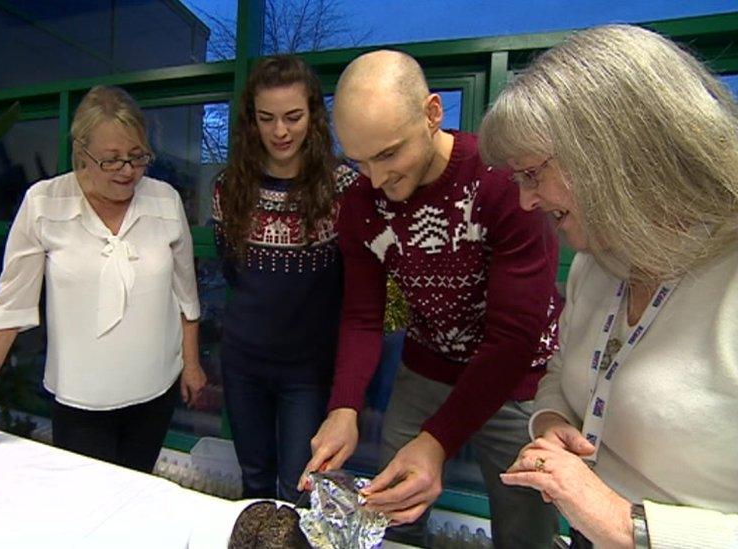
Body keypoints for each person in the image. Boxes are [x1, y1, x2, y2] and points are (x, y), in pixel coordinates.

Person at [479, 24, 738, 548]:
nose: (527, 201)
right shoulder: (596, 262)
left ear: (615, 154)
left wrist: (627, 526)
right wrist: (550, 421)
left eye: (532, 174)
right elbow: (563, 370)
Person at [298, 50, 561, 547]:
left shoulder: (505, 183)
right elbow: (361, 315)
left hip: (519, 380)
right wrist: (345, 406)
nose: (376, 179)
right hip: (428, 367)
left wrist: (437, 440)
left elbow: (513, 337)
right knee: (393, 509)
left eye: (390, 154)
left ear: (432, 114)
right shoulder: (361, 204)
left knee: (525, 526)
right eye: (359, 160)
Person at [0, 85, 206, 474]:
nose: (128, 171)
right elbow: (9, 305)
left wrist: (191, 364)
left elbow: (185, 295)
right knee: (87, 509)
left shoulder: (164, 200)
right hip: (81, 400)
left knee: (136, 497)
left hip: (156, 390)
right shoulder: (45, 202)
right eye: (111, 160)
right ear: (82, 154)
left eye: (138, 157)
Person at [212, 55, 359, 502]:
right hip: (243, 364)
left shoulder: (345, 188)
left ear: (314, 116)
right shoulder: (228, 187)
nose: (280, 132)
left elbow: (359, 291)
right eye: (267, 119)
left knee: (301, 487)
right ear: (250, 122)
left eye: (293, 117)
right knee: (254, 481)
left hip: (309, 371)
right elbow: (232, 271)